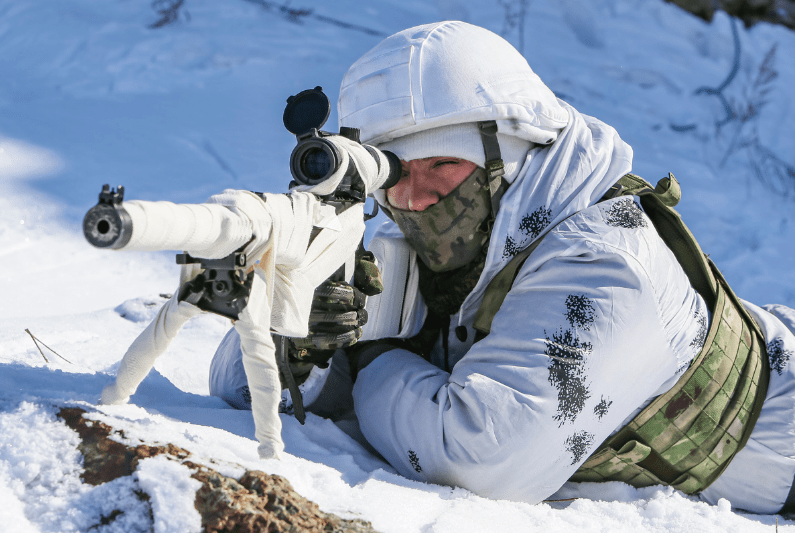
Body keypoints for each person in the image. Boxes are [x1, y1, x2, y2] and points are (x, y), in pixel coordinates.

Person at [210, 21, 795, 514]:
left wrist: (368, 359)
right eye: (393, 174)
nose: (413, 199)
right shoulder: (453, 225)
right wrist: (299, 334)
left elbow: (483, 461)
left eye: (442, 163)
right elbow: (235, 385)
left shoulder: (609, 268)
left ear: (511, 154)